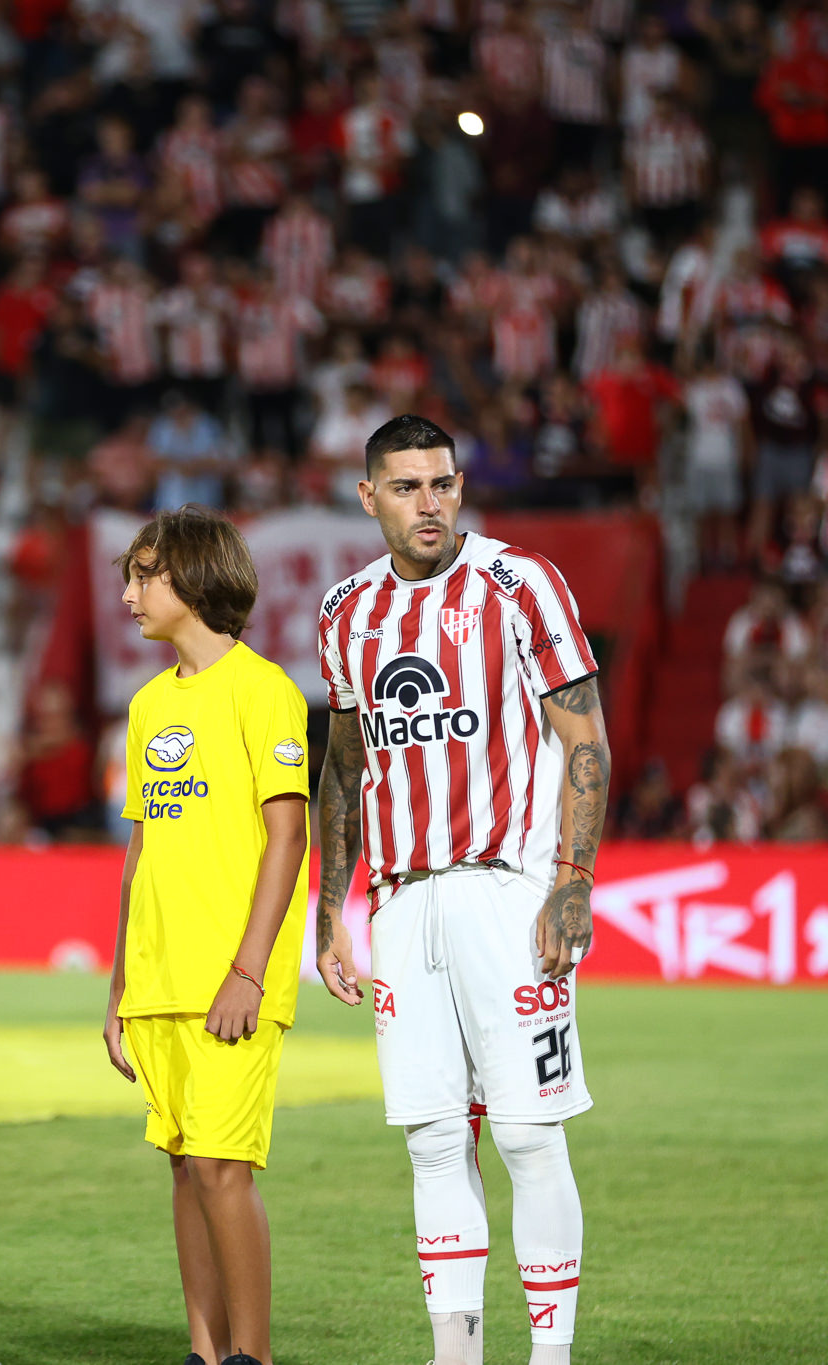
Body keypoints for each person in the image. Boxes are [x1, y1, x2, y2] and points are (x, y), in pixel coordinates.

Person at [313, 414, 611, 1365]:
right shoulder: (345, 611)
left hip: (507, 894)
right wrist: (331, 908)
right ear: (370, 497)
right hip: (402, 904)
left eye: (441, 483)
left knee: (526, 1133)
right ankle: (458, 1353)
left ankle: (551, 1356)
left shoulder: (520, 583)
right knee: (435, 1140)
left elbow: (585, 739)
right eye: (406, 487)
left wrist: (572, 882)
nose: (429, 503)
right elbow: (345, 768)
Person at [100, 506, 311, 1365]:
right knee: (186, 1166)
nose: (129, 595)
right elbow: (140, 853)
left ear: (191, 577)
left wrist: (248, 972)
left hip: (233, 979)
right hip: (158, 979)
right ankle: (206, 1351)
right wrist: (119, 987)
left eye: (143, 575)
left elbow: (288, 836)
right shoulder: (148, 704)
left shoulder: (266, 691)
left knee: (224, 1169)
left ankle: (251, 1357)